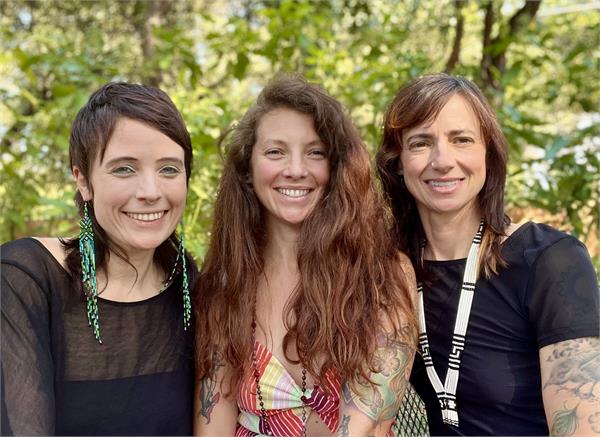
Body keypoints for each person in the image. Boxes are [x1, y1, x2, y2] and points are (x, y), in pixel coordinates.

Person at [193, 74, 418, 437]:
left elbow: (362, 426)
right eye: (275, 151)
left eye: (315, 152)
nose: (296, 170)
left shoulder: (383, 276)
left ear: (336, 168)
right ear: (248, 169)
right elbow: (212, 424)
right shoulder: (226, 284)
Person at [376, 73, 600, 435]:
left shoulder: (550, 262)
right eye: (421, 143)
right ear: (398, 162)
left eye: (461, 140)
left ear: (488, 154)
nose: (442, 160)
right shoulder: (392, 271)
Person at [1, 82, 196, 435]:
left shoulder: (188, 285)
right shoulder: (25, 277)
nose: (151, 192)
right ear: (83, 181)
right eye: (124, 169)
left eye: (169, 169)